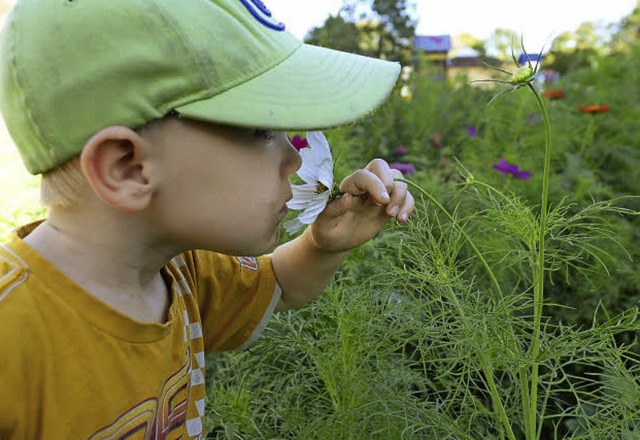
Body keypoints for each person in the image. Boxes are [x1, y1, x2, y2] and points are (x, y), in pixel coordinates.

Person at [0, 0, 414, 438]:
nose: (294, 158)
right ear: (127, 168)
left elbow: (279, 284)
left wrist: (321, 244)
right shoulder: (13, 334)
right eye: (260, 131)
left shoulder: (180, 270)